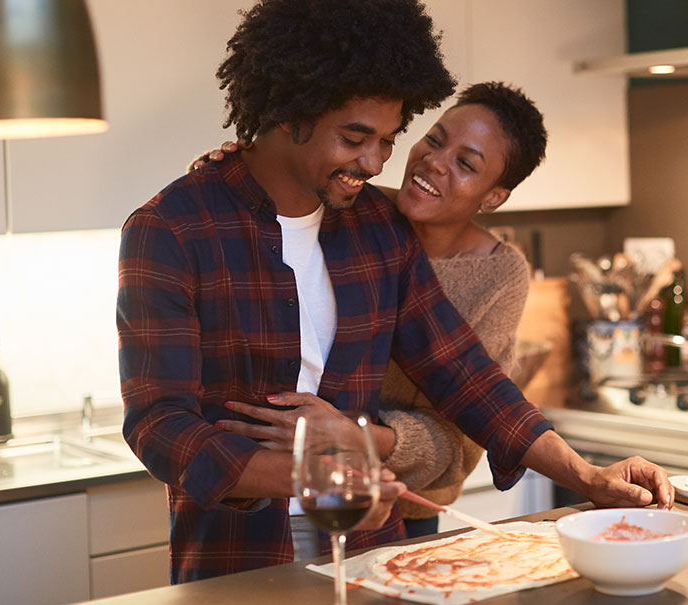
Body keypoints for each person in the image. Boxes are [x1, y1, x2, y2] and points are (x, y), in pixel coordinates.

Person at [118, 0, 672, 585]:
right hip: (237, 557)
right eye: (357, 137)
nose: (377, 161)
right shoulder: (171, 229)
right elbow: (159, 426)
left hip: (372, 553)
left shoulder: (374, 224)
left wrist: (587, 477)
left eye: (389, 139)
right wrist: (312, 475)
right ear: (289, 111)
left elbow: (464, 374)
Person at [201, 81, 548, 538]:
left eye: (465, 164)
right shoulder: (353, 207)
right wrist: (238, 173)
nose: (435, 162)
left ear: (494, 197)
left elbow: (467, 424)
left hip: (406, 502)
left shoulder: (498, 275)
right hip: (290, 488)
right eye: (435, 139)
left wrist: (356, 435)